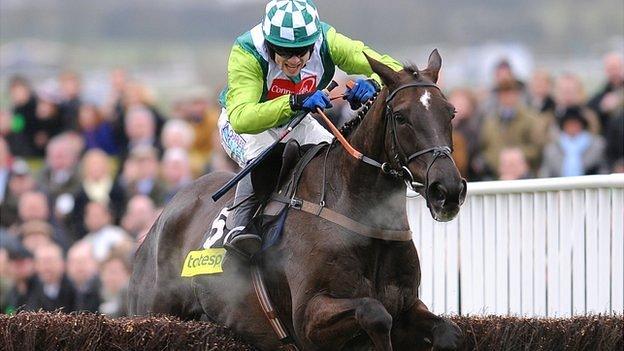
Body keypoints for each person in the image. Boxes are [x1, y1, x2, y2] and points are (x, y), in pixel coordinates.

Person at [217, 0, 402, 260]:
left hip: (297, 119)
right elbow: (243, 118)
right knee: (266, 154)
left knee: (336, 161)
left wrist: (373, 83)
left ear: (313, 42)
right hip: (244, 126)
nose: (294, 60)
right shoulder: (247, 51)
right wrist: (295, 100)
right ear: (269, 44)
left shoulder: (328, 39)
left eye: (302, 51)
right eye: (284, 51)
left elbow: (391, 68)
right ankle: (240, 225)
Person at [539, 108, 606, 178]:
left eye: (576, 124)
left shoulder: (597, 145)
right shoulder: (551, 149)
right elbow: (545, 173)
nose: (573, 127)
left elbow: (603, 169)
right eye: (569, 124)